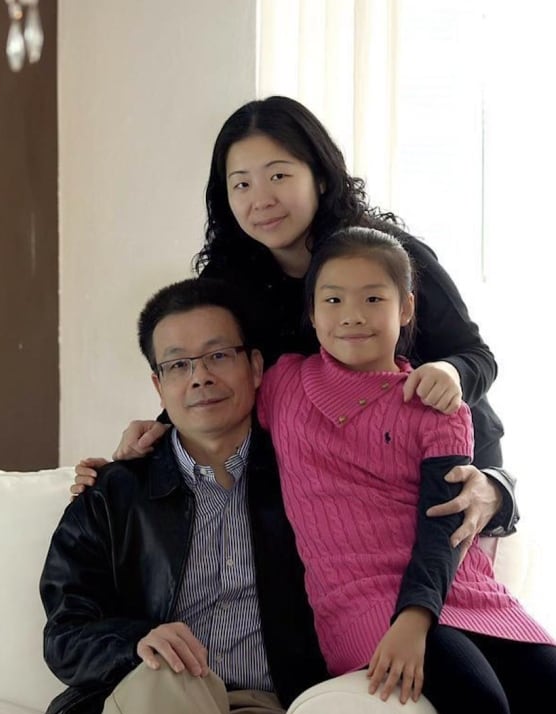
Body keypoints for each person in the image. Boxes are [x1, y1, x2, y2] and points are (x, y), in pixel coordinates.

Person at [74, 96, 515, 549]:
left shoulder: (387, 256)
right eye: (241, 184)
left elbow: (475, 356)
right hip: (336, 480)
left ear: (320, 176)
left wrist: (452, 380)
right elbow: (217, 371)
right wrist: (153, 438)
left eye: (279, 175)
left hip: (449, 471)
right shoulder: (230, 282)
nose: (261, 199)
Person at [257, 225, 556, 714]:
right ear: (310, 312)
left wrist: (420, 614)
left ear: (408, 308)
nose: (351, 317)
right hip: (361, 598)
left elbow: (441, 526)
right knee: (480, 710)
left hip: (456, 587)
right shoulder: (283, 385)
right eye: (332, 301)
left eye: (372, 299)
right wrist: (145, 435)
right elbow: (206, 403)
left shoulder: (436, 400)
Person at [40, 278, 329, 714]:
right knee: (170, 675)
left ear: (254, 367)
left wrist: (494, 489)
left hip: (260, 712)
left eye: (218, 355)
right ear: (158, 386)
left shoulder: (309, 477)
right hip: (128, 703)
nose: (199, 377)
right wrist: (138, 641)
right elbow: (64, 635)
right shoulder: (112, 494)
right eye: (178, 364)